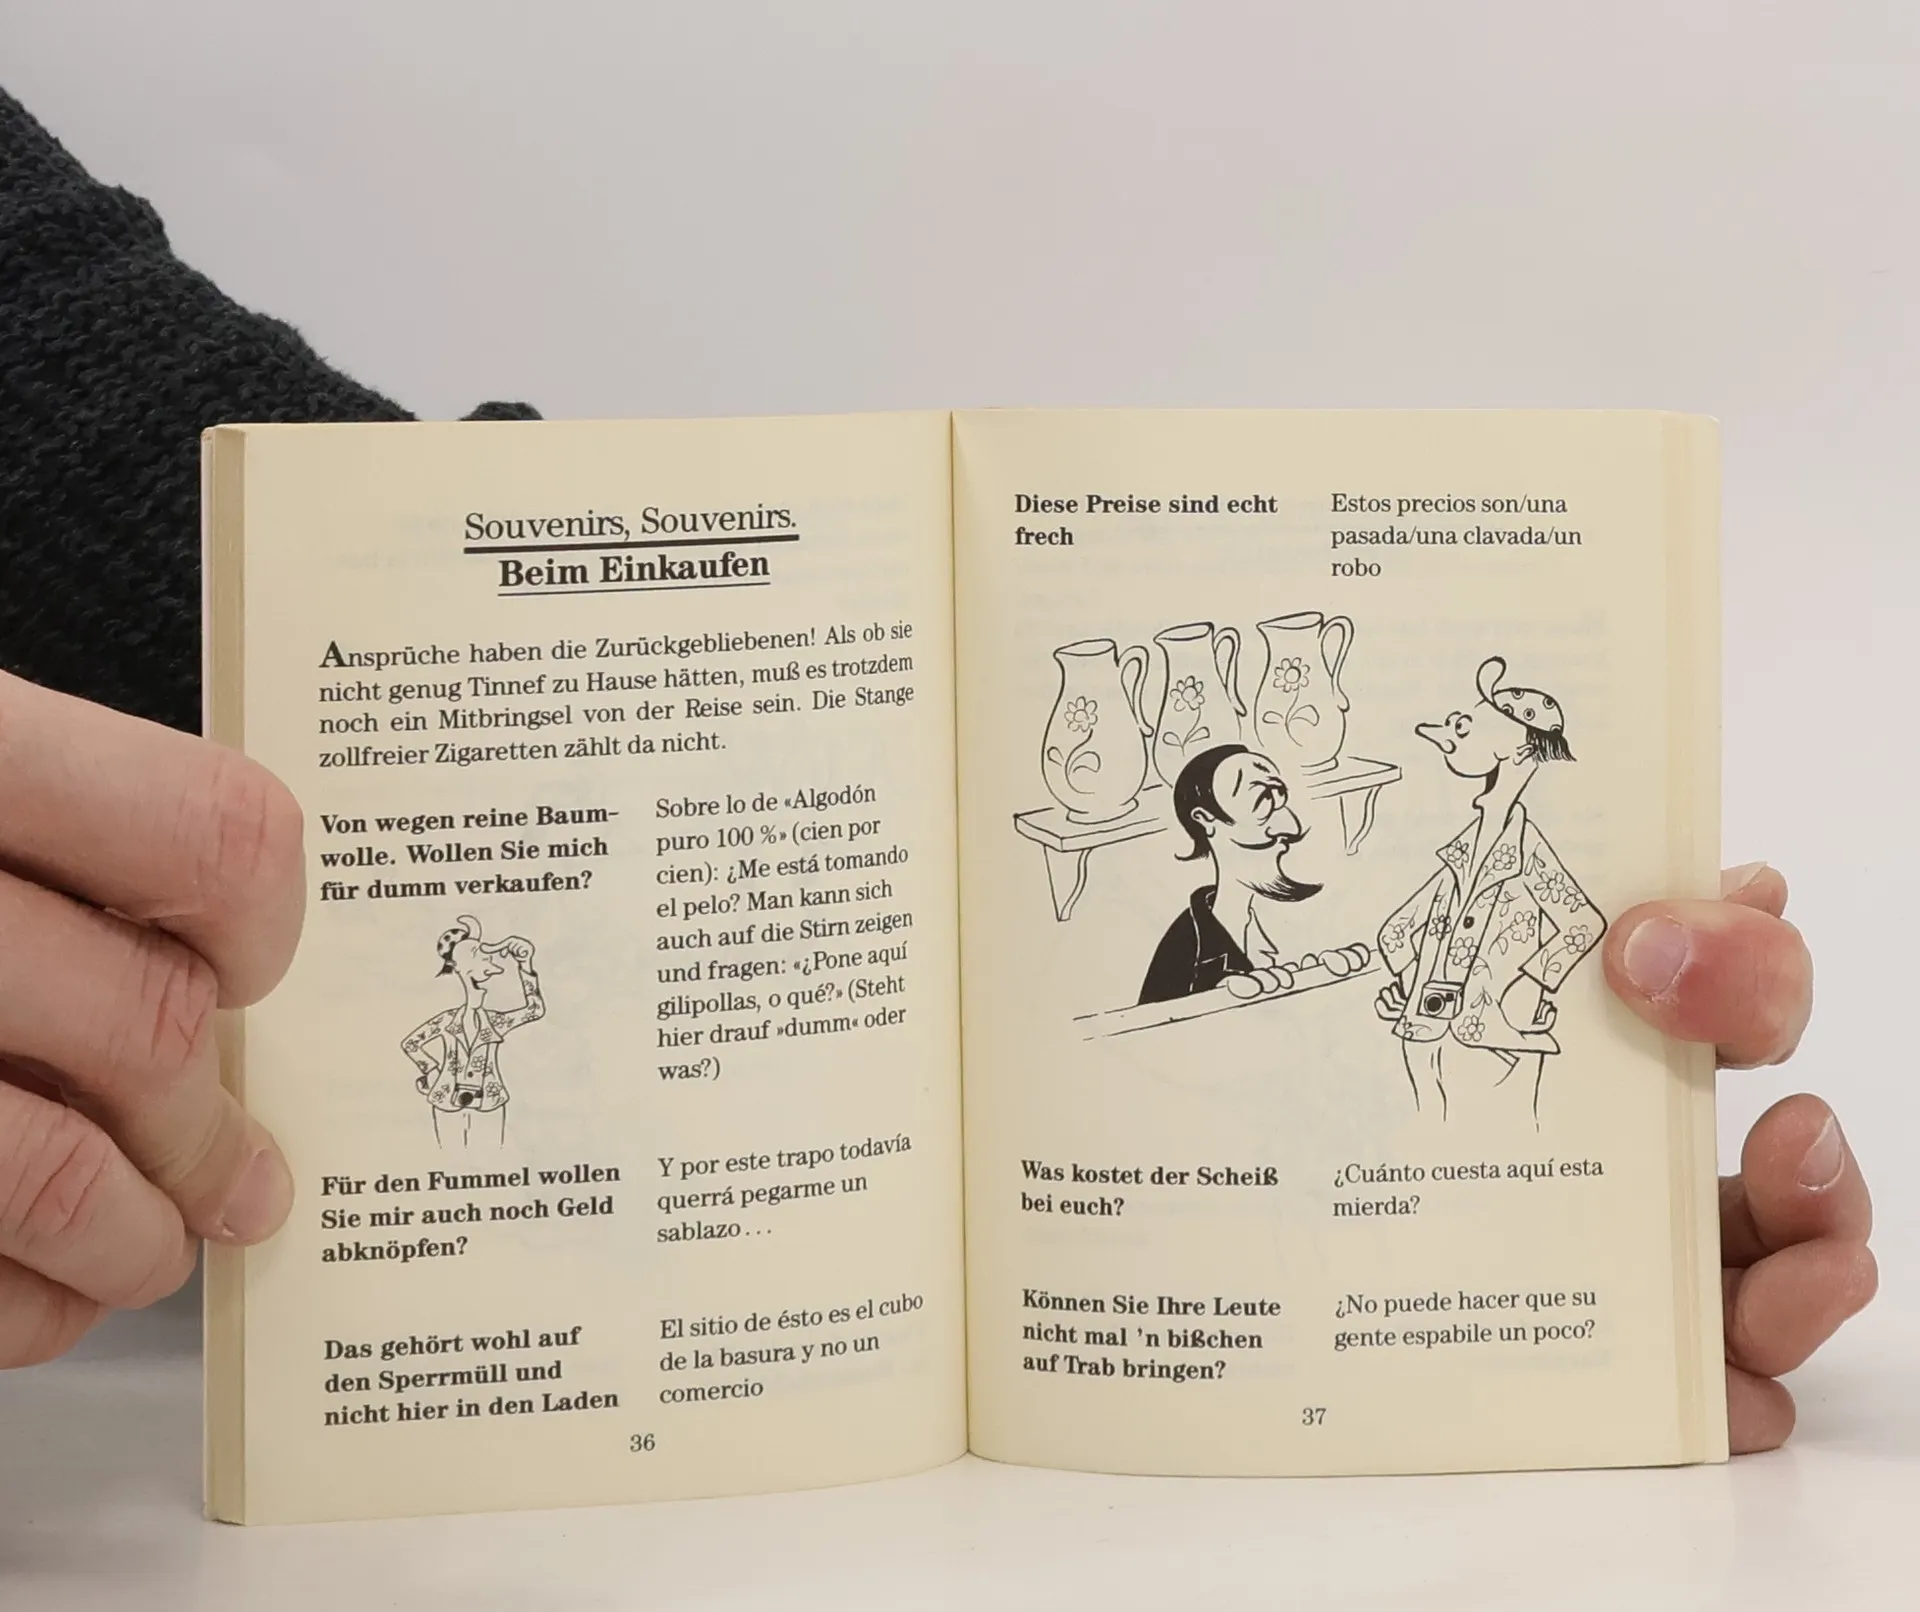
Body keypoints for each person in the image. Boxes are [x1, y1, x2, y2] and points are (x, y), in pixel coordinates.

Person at [0, 89, 1874, 1452]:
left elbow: (79, 379)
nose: (1299, 806)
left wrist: (1540, 1210)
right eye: (1260, 795)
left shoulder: (1346, 909)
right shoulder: (1191, 944)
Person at [1376, 657, 1606, 1121]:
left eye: (1476, 727)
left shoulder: (1527, 851)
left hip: (1495, 1042)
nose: (1458, 733)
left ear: (1519, 752)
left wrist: (1530, 985)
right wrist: (1407, 983)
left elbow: (1583, 924)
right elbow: (1395, 931)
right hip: (1423, 1037)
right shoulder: (1462, 849)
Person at [1139, 744, 1324, 1003]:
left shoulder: (1280, 928)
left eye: (1280, 796)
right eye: (1261, 803)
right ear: (1206, 819)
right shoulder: (1186, 948)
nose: (1291, 827)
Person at [402, 918, 546, 1149]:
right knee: (447, 1156)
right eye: (478, 956)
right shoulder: (447, 1020)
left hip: (489, 1101)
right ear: (457, 965)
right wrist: (432, 1071)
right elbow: (411, 1044)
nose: (488, 963)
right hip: (446, 1101)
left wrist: (525, 965)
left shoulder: (495, 1021)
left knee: (492, 1156)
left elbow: (534, 1010)